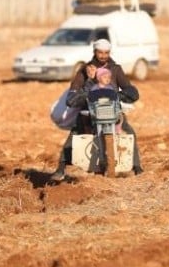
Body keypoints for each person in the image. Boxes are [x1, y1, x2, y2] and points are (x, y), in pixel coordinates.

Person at [52, 38, 142, 182]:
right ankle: (61, 169)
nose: (103, 56)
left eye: (106, 53)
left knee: (130, 133)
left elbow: (128, 88)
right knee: (73, 138)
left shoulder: (115, 69)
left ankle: (137, 167)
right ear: (94, 52)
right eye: (100, 52)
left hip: (112, 111)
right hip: (89, 113)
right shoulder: (85, 69)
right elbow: (73, 94)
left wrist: (126, 94)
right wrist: (88, 81)